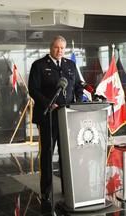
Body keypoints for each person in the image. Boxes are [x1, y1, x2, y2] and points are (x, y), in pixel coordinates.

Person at [28, 35, 84, 201]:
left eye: (62, 48)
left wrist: (77, 103)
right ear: (50, 48)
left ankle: (68, 188)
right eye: (56, 47)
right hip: (48, 118)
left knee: (66, 155)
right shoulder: (38, 65)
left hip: (67, 118)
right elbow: (33, 90)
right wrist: (49, 103)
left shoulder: (70, 65)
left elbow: (78, 87)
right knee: (47, 154)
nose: (59, 51)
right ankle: (46, 190)